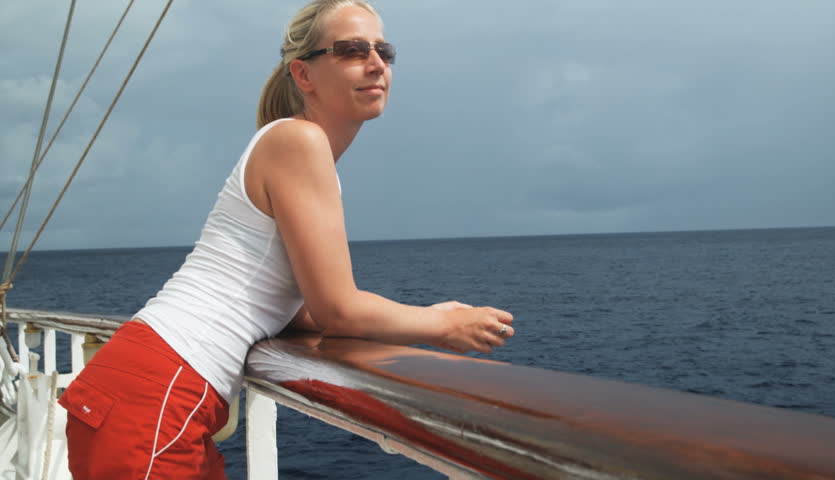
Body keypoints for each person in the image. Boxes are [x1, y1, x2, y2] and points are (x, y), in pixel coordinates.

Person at [57, 1, 514, 478]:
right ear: (304, 74)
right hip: (158, 393)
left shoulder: (297, 148)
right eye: (352, 50)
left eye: (384, 50)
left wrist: (428, 314)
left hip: (150, 389)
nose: (376, 63)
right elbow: (337, 310)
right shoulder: (299, 142)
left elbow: (298, 310)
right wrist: (443, 327)